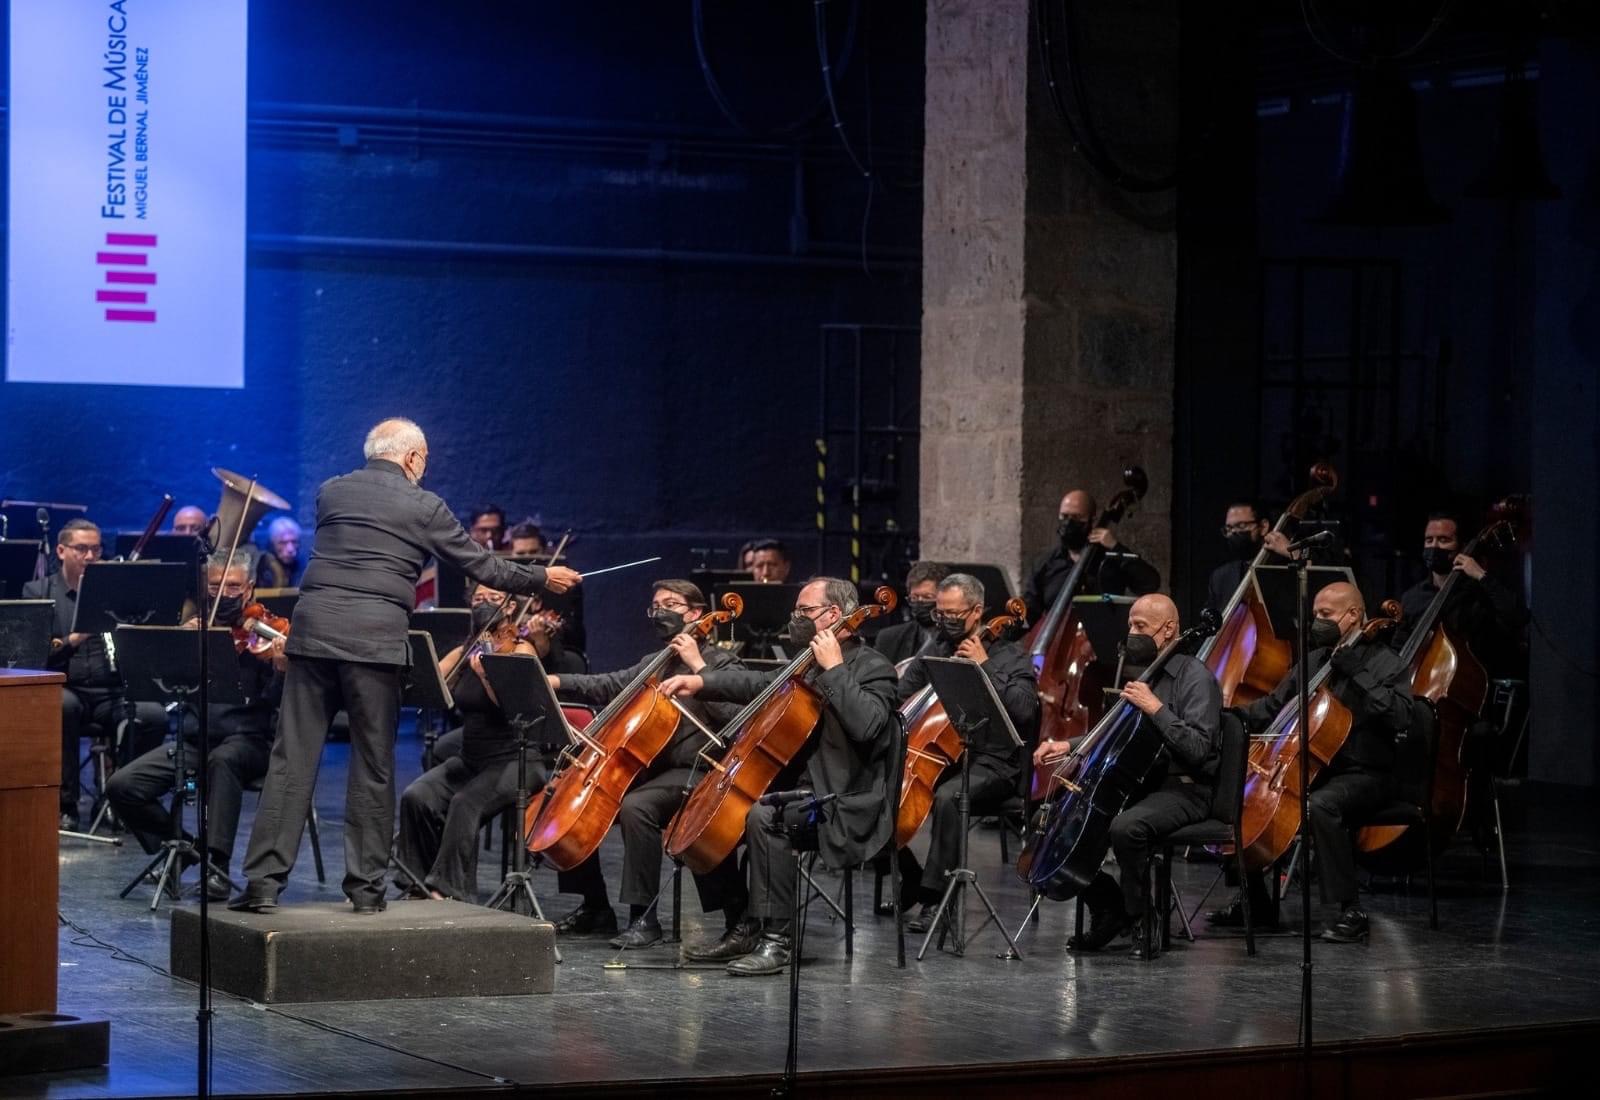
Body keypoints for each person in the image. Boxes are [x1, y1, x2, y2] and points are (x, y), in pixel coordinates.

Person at [230, 418, 582, 914]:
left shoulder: (331, 492)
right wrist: (543, 576)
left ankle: (263, 884)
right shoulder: (424, 506)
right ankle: (367, 889)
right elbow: (482, 567)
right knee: (373, 765)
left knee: (291, 761)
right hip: (373, 645)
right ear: (413, 459)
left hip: (313, 638)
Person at [661, 577, 898, 976]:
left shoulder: (874, 667)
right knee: (713, 815)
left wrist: (835, 670)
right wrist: (702, 680)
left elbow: (869, 726)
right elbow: (758, 681)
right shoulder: (804, 661)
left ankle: (778, 941)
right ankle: (743, 925)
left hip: (841, 798)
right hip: (798, 787)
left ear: (833, 615)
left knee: (764, 818)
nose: (796, 619)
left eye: (804, 611)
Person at [545, 580, 747, 948]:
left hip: (702, 769)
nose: (660, 612)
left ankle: (643, 918)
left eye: (671, 604)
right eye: (655, 606)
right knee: (574, 799)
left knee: (637, 806)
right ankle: (595, 905)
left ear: (696, 613)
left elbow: (740, 720)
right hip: (657, 767)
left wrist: (699, 669)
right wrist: (555, 680)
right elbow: (608, 684)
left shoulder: (723, 661)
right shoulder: (657, 662)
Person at [1212, 581, 1411, 944]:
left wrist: (1356, 672)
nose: (1316, 621)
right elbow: (1273, 705)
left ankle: (1349, 911)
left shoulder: (1386, 663)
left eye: (1325, 615)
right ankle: (1254, 900)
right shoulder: (1316, 660)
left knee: (1322, 805)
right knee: (1240, 793)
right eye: (1315, 614)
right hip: (1315, 767)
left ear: (1353, 616)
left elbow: (1400, 716)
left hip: (1366, 773)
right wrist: (1227, 718)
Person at [1036, 594, 1221, 959]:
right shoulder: (1145, 674)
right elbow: (1116, 735)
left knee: (1125, 827)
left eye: (1141, 627)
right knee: (1064, 819)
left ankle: (1143, 917)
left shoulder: (1195, 678)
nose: (1132, 634)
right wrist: (1070, 745)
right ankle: (1110, 909)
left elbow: (1200, 749)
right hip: (1140, 781)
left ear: (1168, 630)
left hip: (1184, 787)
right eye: (1131, 625)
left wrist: (1156, 708)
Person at [106, 551, 286, 900]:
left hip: (249, 741)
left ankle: (217, 867)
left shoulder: (268, 632)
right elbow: (162, 681)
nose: (225, 592)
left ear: (249, 589)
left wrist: (280, 667)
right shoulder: (197, 627)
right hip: (195, 739)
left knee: (224, 761)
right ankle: (188, 849)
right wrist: (180, 646)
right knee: (122, 785)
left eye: (233, 586)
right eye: (216, 585)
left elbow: (282, 702)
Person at [896, 573, 1039, 932]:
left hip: (996, 763)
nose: (943, 620)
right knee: (881, 787)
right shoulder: (938, 647)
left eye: (952, 613)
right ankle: (911, 876)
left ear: (977, 611)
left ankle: (937, 903)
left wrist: (984, 667)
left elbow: (1024, 711)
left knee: (948, 797)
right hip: (948, 757)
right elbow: (903, 691)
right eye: (939, 612)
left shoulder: (1010, 655)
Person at [394, 584, 547, 902]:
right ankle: (418, 883)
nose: (485, 603)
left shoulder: (521, 650)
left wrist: (488, 674)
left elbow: (516, 708)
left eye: (493, 598)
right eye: (478, 599)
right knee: (416, 796)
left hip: (515, 760)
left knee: (466, 803)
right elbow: (429, 683)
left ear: (508, 607)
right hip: (472, 759)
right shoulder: (465, 650)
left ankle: (449, 891)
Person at [23, 518, 165, 829]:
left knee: (154, 716)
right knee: (61, 707)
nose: (90, 557)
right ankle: (66, 804)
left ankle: (124, 796)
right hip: (66, 685)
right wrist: (76, 637)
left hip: (111, 688)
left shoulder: (116, 592)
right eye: (82, 549)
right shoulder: (39, 591)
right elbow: (33, 654)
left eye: (96, 550)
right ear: (61, 550)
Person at [1391, 512, 1526, 676]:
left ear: (1461, 547)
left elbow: (1518, 616)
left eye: (1444, 540)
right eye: (1429, 540)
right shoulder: (1412, 597)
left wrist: (1481, 575)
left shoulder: (1479, 592)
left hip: (1467, 682)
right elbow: (1398, 649)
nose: (1435, 546)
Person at [1022, 489, 1160, 622]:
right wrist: (1008, 628)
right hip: (1057, 643)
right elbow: (1031, 610)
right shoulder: (1046, 563)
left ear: (1091, 520)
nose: (1068, 523)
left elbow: (1150, 583)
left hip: (1102, 642)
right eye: (1064, 516)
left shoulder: (1110, 558)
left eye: (1076, 517)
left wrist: (1116, 547)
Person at [871, 560, 948, 665]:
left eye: (927, 597)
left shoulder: (956, 640)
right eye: (914, 597)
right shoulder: (888, 638)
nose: (920, 602)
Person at [256, 517, 305, 589]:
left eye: (294, 542)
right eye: (283, 543)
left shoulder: (303, 566)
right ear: (272, 544)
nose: (290, 549)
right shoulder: (262, 568)